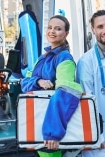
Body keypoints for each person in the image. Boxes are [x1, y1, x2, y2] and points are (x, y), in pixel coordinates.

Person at [20, 15, 83, 156]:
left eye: (58, 29)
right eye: (50, 27)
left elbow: (66, 93)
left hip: (52, 125)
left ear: (66, 34)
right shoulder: (43, 57)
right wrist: (38, 82)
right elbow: (25, 82)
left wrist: (53, 133)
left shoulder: (64, 58)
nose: (52, 31)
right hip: (40, 120)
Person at [76, 9, 105, 157]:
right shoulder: (86, 62)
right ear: (93, 30)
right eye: (100, 27)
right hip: (99, 140)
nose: (104, 30)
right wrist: (98, 138)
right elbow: (86, 104)